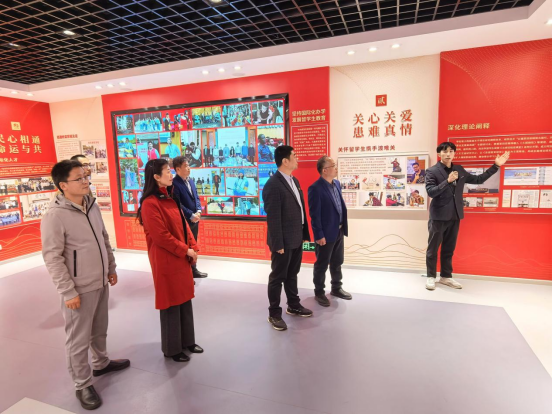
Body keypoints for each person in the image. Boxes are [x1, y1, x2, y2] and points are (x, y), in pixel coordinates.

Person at [41, 160, 130, 411]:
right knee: (78, 339)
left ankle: (101, 363)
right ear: (63, 185)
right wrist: (67, 291)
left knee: (99, 329)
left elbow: (103, 238)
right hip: (78, 288)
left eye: (85, 176)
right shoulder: (54, 216)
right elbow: (52, 257)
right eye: (79, 178)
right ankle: (82, 384)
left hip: (100, 281)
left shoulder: (91, 204)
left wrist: (111, 267)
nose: (85, 181)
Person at [137, 159, 204, 363]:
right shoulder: (150, 204)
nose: (171, 174)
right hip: (166, 259)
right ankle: (172, 348)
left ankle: (188, 341)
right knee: (171, 303)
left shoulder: (170, 197)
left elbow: (184, 225)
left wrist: (193, 246)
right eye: (167, 171)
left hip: (180, 257)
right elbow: (161, 237)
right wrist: (186, 250)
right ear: (156, 177)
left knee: (184, 299)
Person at [425, 143, 510, 291]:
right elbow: (431, 192)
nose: (448, 154)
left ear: (454, 153)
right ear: (439, 154)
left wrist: (496, 166)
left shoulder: (459, 169)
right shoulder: (432, 171)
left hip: (455, 215)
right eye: (445, 151)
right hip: (438, 216)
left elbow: (478, 179)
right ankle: (431, 276)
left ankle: (446, 276)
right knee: (433, 249)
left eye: (451, 151)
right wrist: (447, 181)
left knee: (449, 248)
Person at [262, 146, 312, 331]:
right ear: (285, 161)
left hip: (296, 237)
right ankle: (274, 313)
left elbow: (300, 210)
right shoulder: (273, 184)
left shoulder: (294, 180)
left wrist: (304, 235)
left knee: (292, 274)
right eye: (294, 156)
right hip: (282, 241)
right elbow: (273, 217)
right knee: (277, 277)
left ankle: (293, 305)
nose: (297, 159)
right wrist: (278, 243)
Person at [308, 156, 352, 307]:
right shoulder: (315, 188)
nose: (336, 167)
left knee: (337, 261)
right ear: (325, 170)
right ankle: (319, 292)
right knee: (322, 264)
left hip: (339, 230)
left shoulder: (337, 184)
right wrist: (319, 235)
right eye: (333, 165)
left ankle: (336, 288)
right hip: (325, 235)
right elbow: (314, 215)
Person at [172, 157, 209, 279]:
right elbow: (177, 204)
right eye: (186, 166)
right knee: (185, 246)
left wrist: (198, 211)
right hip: (184, 220)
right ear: (178, 169)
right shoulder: (174, 184)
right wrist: (191, 215)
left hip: (194, 219)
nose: (189, 168)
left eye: (188, 165)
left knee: (193, 245)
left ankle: (193, 269)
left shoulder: (191, 181)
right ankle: (186, 272)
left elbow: (196, 197)